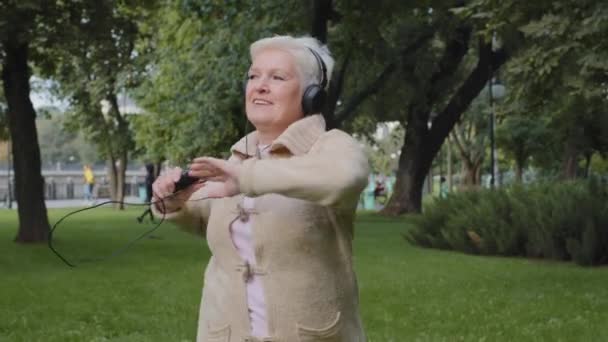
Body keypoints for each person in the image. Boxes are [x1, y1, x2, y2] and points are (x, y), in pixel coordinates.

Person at [152, 35, 369, 342]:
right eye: (254, 76)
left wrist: (246, 177)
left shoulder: (333, 148)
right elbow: (200, 214)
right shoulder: (235, 159)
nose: (260, 85)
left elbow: (343, 178)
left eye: (277, 77)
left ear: (311, 95)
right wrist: (171, 201)